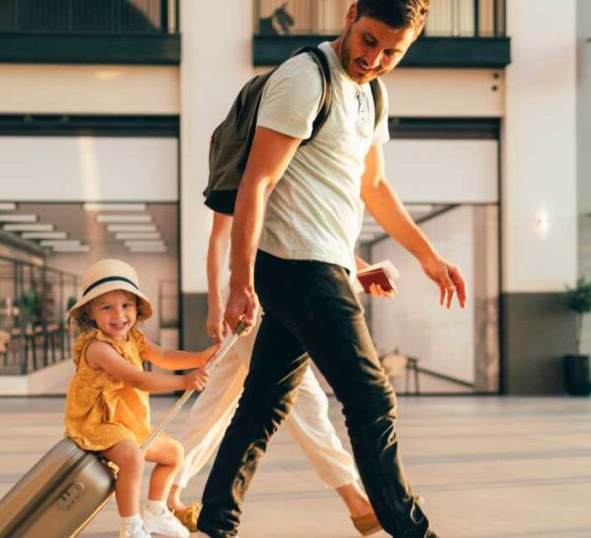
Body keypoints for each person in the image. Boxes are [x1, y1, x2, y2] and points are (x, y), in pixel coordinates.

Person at [197, 1, 467, 537]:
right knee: (370, 397)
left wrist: (428, 257)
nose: (375, 59)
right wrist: (239, 281)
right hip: (298, 265)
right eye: (369, 41)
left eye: (393, 51)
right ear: (350, 16)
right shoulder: (305, 78)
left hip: (325, 264)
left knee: (263, 405)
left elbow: (373, 188)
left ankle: (214, 525)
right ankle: (413, 532)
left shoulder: (372, 94)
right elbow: (257, 183)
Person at [166, 212, 392, 536]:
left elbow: (307, 235)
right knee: (303, 398)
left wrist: (362, 270)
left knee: (218, 401)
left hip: (277, 290)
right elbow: (220, 237)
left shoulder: (294, 173)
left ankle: (166, 495)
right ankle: (356, 503)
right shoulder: (246, 166)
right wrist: (216, 304)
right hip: (249, 294)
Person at [65, 259, 213, 538]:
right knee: (132, 458)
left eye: (126, 305)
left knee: (173, 453)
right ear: (90, 313)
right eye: (106, 307)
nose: (118, 314)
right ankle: (130, 526)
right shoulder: (98, 347)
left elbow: (165, 357)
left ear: (136, 308)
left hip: (126, 421)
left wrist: (200, 357)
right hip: (98, 422)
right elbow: (137, 379)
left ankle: (156, 511)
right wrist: (184, 381)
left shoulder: (134, 338)